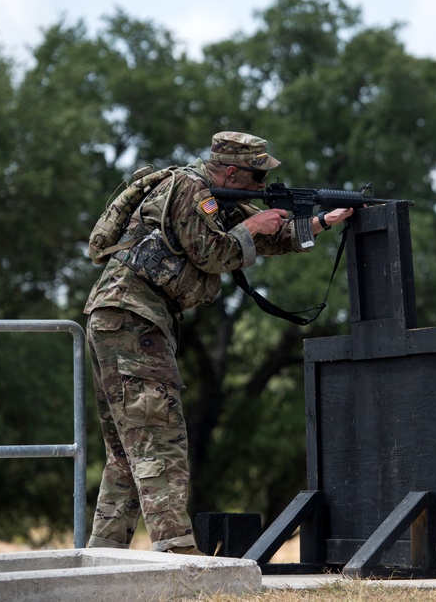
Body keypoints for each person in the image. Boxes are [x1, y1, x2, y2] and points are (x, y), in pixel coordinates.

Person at [83, 131, 353, 554]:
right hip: (133, 320)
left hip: (120, 320)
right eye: (257, 178)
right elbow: (214, 254)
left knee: (126, 450)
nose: (263, 189)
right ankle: (177, 556)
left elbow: (266, 239)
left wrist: (321, 222)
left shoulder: (214, 198)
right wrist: (250, 225)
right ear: (231, 172)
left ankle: (102, 555)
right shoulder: (193, 191)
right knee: (159, 439)